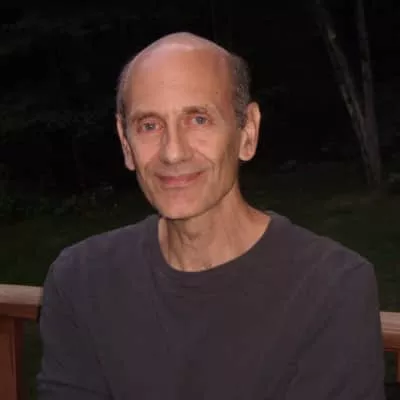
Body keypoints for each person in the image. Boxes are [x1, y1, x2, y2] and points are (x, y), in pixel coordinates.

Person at [37, 32, 385, 399]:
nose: (173, 152)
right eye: (149, 125)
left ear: (247, 132)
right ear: (126, 144)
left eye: (199, 119)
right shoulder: (80, 281)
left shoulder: (332, 288)